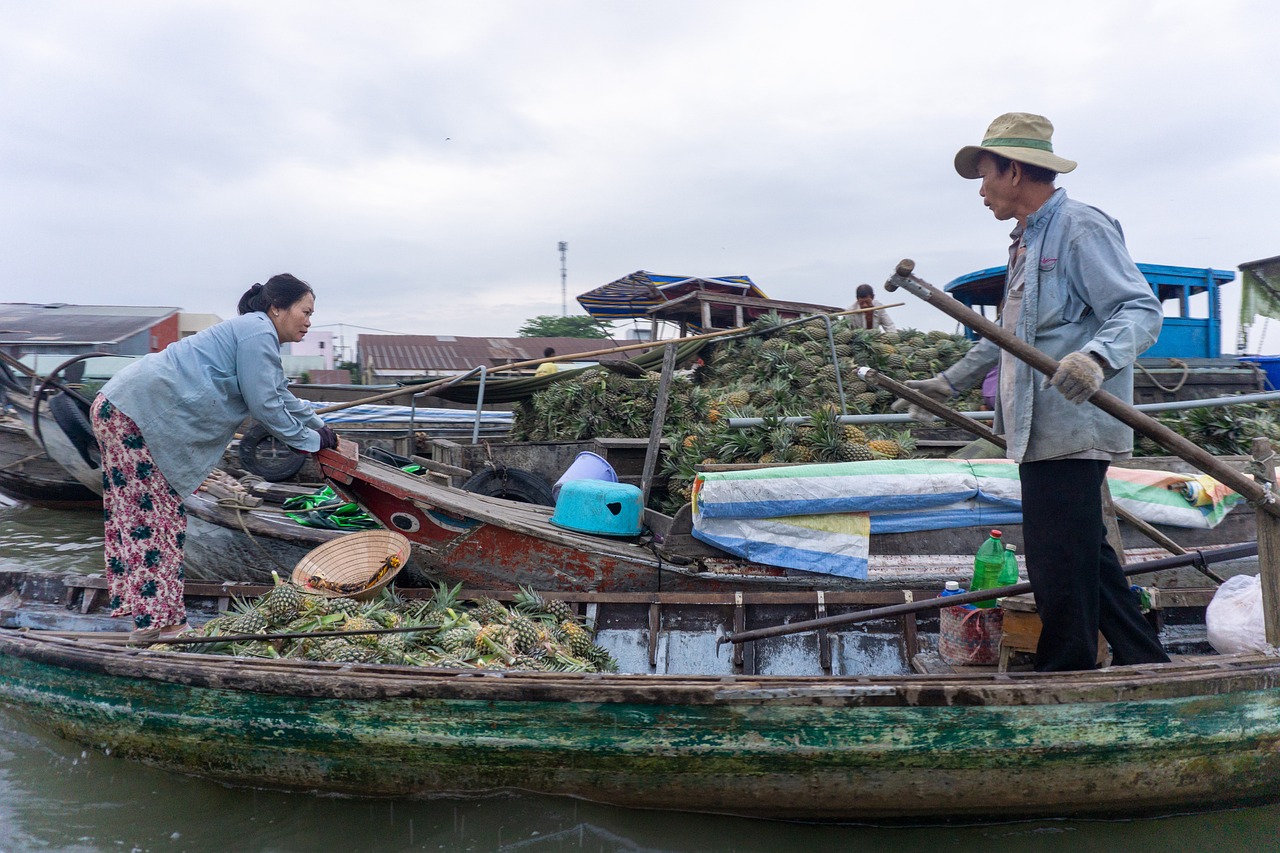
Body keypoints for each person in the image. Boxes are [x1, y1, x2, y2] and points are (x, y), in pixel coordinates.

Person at [897, 112, 1169, 672]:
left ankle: (1064, 669)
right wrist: (948, 382)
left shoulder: (1080, 227)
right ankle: (1147, 661)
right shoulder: (1025, 245)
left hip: (1074, 424)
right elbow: (1009, 338)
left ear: (1015, 170)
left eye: (985, 175)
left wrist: (1094, 358)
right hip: (1037, 428)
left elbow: (1138, 309)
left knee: (1056, 560)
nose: (981, 191)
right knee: (1085, 555)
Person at [91, 274, 337, 640]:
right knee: (156, 521)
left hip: (123, 408)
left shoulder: (254, 332)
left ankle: (148, 624)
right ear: (277, 308)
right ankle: (166, 624)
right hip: (135, 414)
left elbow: (278, 395)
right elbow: (265, 406)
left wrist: (321, 429)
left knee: (142, 518)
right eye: (305, 311)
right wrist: (309, 441)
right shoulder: (258, 332)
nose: (309, 321)